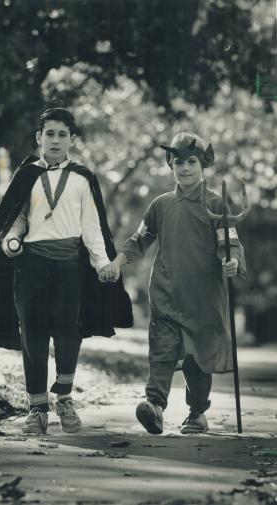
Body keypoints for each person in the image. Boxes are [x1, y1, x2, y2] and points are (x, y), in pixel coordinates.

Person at [0, 107, 133, 435]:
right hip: (31, 266)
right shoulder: (27, 175)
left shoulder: (83, 178)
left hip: (70, 266)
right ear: (39, 138)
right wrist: (11, 239)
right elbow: (17, 217)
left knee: (69, 332)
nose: (55, 140)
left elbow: (92, 228)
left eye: (62, 134)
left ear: (72, 140)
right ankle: (36, 409)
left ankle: (64, 398)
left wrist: (101, 263)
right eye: (49, 134)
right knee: (33, 333)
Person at [100, 132, 246, 435]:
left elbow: (229, 245)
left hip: (204, 298)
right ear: (170, 164)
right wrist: (117, 262)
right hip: (166, 293)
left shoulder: (217, 204)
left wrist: (232, 264)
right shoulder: (160, 205)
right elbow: (139, 239)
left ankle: (197, 412)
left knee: (198, 360)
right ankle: (154, 405)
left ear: (204, 164)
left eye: (192, 161)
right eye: (178, 162)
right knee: (162, 351)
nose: (185, 168)